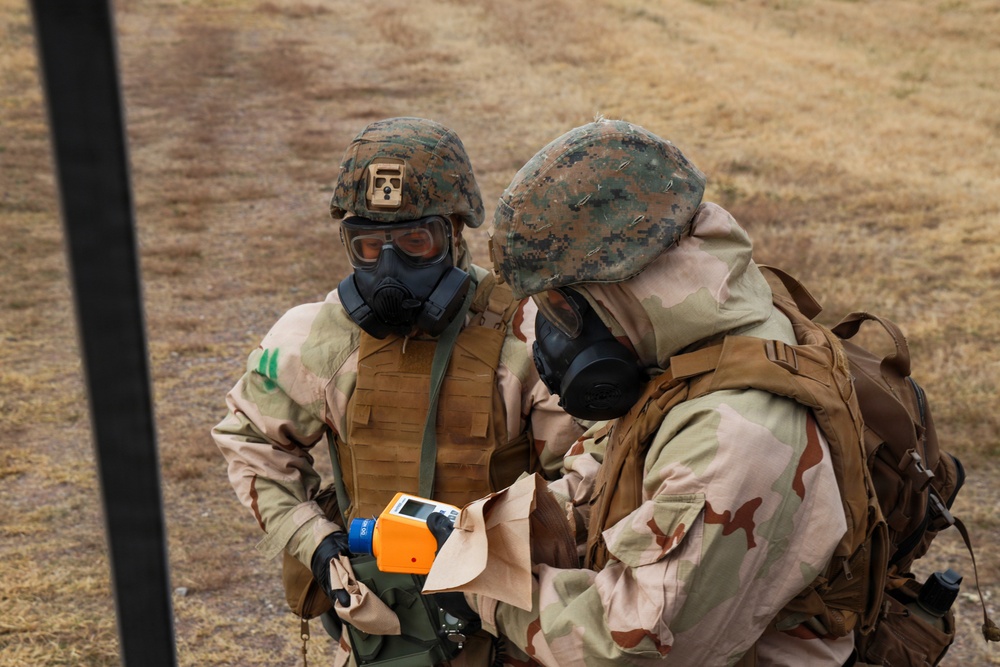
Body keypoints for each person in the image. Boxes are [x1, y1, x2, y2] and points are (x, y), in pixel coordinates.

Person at [437, 119, 859, 665]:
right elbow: (611, 472)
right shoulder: (687, 339)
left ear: (625, 284)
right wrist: (489, 530)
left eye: (564, 307)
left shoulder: (734, 438)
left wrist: (482, 590)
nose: (554, 334)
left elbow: (634, 647)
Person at [212, 117, 585, 666]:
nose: (390, 268)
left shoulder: (528, 335)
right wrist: (314, 541)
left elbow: (590, 477)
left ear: (455, 233)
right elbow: (250, 440)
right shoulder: (323, 337)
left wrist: (497, 548)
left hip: (512, 630)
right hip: (378, 631)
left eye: (416, 240)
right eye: (367, 246)